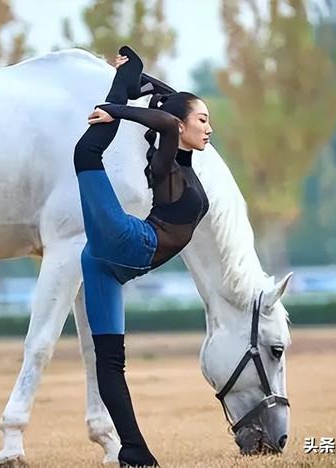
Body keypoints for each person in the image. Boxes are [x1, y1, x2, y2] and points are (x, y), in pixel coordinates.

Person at [73, 46, 213, 467]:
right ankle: (124, 80)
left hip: (106, 265)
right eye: (204, 120)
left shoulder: (180, 164)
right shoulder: (166, 168)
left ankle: (134, 452)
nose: (210, 128)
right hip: (131, 244)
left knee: (110, 361)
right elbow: (169, 121)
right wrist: (118, 106)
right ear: (185, 125)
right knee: (86, 154)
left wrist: (145, 85)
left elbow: (172, 112)